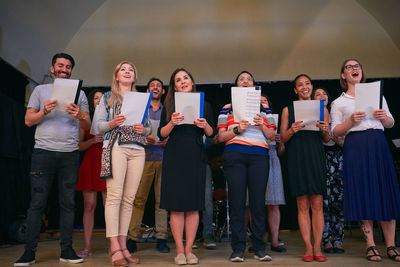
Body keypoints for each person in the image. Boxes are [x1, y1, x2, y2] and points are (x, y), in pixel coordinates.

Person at [15, 53, 90, 266]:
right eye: (60, 65)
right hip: (43, 153)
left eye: (68, 67)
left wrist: (79, 115)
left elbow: (87, 126)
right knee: (37, 203)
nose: (64, 69)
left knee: (68, 204)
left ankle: (67, 250)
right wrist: (44, 112)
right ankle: (29, 253)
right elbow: (29, 120)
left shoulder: (80, 94)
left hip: (69, 154)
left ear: (71, 70)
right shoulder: (40, 90)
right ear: (52, 68)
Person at [330, 59, 400, 262]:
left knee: (384, 190)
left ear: (361, 71)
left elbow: (390, 122)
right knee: (363, 192)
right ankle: (370, 245)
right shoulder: (339, 102)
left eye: (357, 66)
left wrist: (383, 117)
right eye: (349, 67)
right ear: (343, 75)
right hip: (356, 147)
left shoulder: (377, 95)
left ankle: (391, 244)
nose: (354, 69)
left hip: (378, 143)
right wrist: (350, 121)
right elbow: (335, 132)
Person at [217, 71, 276, 262]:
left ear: (253, 85)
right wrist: (237, 129)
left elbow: (272, 136)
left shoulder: (264, 107)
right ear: (236, 86)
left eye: (249, 79)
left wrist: (261, 126)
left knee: (258, 203)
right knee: (237, 202)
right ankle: (237, 249)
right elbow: (220, 137)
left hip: (259, 156)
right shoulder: (227, 107)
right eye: (241, 79)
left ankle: (259, 248)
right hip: (235, 155)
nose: (245, 81)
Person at [96, 61, 151, 266]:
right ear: (117, 76)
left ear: (134, 77)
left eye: (131, 70)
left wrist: (143, 130)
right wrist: (112, 123)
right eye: (123, 69)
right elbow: (98, 126)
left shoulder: (142, 98)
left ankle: (123, 245)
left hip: (137, 149)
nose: (127, 72)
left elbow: (148, 129)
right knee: (114, 197)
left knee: (129, 199)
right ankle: (114, 247)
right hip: (116, 147)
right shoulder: (107, 98)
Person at [158, 68, 214, 265]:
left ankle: (190, 250)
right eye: (178, 80)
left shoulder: (204, 104)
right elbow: (162, 134)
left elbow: (212, 134)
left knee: (193, 206)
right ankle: (179, 250)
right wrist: (172, 122)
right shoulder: (169, 105)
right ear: (174, 86)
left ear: (192, 81)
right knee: (176, 207)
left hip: (196, 155)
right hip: (175, 157)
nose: (182, 82)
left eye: (185, 78)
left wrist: (204, 125)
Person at [280, 74, 330, 262]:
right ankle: (308, 247)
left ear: (311, 86)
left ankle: (318, 247)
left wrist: (326, 130)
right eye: (300, 85)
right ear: (295, 90)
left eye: (307, 83)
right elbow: (283, 138)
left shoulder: (322, 109)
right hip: (297, 157)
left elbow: (327, 138)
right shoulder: (287, 110)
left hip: (315, 155)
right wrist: (292, 130)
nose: (304, 87)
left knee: (317, 204)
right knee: (302, 204)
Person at [126, 77, 170, 253]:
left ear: (163, 91)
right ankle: (132, 237)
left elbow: (174, 130)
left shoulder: (167, 110)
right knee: (138, 199)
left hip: (164, 159)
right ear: (147, 91)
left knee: (162, 202)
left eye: (159, 86)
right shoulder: (140, 110)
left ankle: (161, 238)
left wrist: (169, 141)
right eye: (152, 86)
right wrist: (144, 139)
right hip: (143, 158)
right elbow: (129, 130)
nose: (155, 88)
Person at [312, 87, 345, 254]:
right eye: (317, 94)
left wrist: (336, 136)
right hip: (321, 158)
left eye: (324, 93)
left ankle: (337, 239)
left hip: (338, 159)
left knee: (339, 201)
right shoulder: (312, 116)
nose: (322, 96)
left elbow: (343, 139)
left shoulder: (337, 113)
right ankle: (325, 240)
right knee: (323, 201)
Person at [76, 89, 107, 258]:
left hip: (107, 163)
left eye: (102, 98)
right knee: (89, 206)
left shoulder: (111, 119)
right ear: (91, 101)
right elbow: (79, 145)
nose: (99, 100)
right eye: (96, 97)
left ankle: (114, 246)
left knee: (109, 207)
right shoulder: (85, 120)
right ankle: (87, 247)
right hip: (90, 164)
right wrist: (92, 140)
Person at [260, 93, 287, 253]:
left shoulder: (274, 121)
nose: (263, 104)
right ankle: (255, 238)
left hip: (271, 155)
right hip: (255, 152)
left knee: (273, 202)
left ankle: (275, 240)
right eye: (260, 102)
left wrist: (279, 141)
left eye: (265, 101)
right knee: (252, 203)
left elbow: (281, 151)